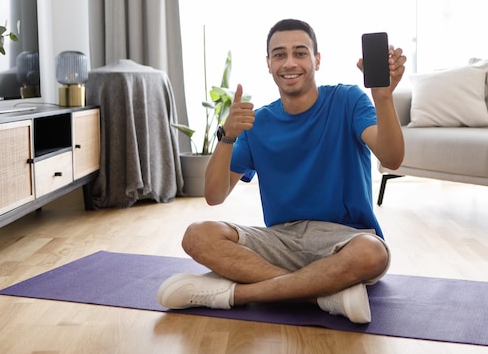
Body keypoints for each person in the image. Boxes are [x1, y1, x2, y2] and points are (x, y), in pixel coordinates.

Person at [157, 18, 406, 323]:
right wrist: (227, 136)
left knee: (372, 254)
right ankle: (322, 294)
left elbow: (391, 158)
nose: (290, 62)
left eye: (300, 53)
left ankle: (232, 295)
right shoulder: (258, 122)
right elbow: (214, 195)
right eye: (279, 54)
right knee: (198, 235)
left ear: (316, 59)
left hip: (345, 239)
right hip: (282, 239)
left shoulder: (347, 100)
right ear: (268, 63)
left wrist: (383, 98)